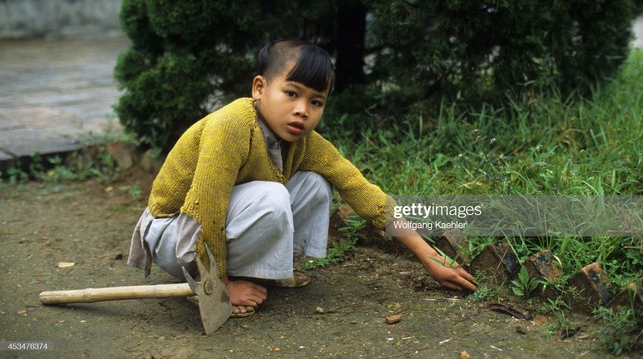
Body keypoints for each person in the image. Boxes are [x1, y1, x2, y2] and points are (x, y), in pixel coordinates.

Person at [128, 39, 477, 317]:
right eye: (292, 93)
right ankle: (227, 280)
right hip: (174, 234)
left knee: (316, 183)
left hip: (215, 225)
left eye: (316, 102)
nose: (302, 110)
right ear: (260, 88)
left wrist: (428, 256)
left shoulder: (305, 142)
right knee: (273, 196)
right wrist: (220, 288)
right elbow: (205, 211)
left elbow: (361, 191)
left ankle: (266, 271)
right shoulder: (231, 126)